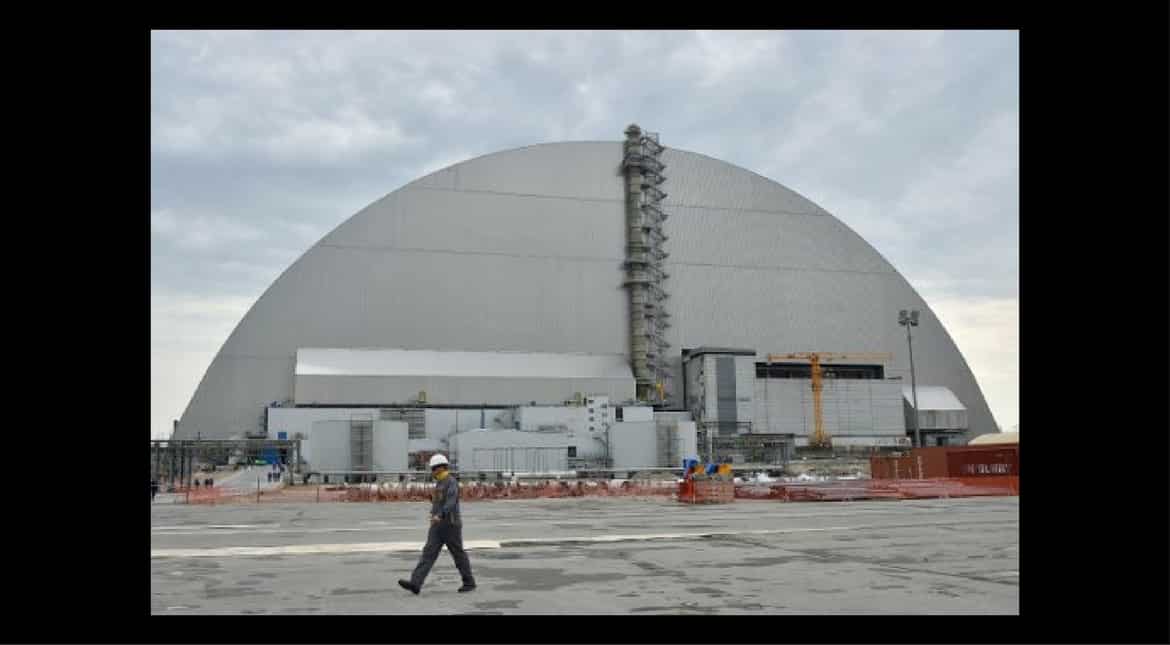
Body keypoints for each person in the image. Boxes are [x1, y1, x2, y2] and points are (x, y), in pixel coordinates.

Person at [399, 454, 476, 594]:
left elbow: (451, 502)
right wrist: (433, 506)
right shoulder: (439, 483)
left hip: (450, 524)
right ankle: (415, 583)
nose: (432, 472)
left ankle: (469, 582)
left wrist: (440, 515)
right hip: (437, 525)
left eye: (433, 469)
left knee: (458, 554)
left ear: (440, 468)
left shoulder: (451, 482)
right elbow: (439, 501)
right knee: (428, 553)